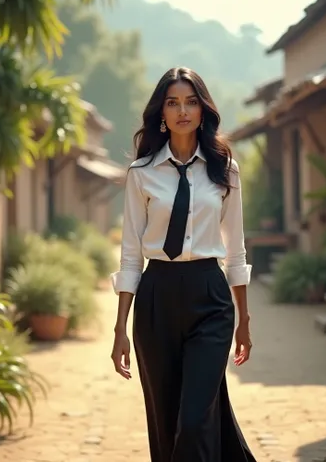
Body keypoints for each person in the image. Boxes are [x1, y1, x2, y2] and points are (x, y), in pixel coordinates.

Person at [110, 66, 257, 462]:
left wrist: (243, 319)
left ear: (203, 109)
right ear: (162, 111)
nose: (182, 111)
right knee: (165, 418)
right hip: (156, 299)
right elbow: (129, 255)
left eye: (191, 102)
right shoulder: (141, 174)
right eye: (173, 102)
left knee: (193, 421)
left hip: (210, 298)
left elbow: (236, 250)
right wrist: (120, 328)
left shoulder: (224, 170)